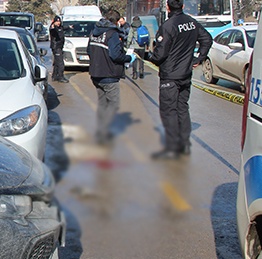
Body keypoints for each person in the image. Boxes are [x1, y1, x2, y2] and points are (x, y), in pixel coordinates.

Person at [146, 0, 212, 159]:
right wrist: (198, 58)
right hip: (185, 75)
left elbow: (160, 55)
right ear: (182, 6)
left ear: (167, 7)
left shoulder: (168, 26)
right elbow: (207, 39)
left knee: (169, 111)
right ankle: (184, 145)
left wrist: (148, 56)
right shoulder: (191, 22)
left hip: (170, 75)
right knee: (182, 108)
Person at [86, 9, 135, 145]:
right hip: (109, 75)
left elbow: (89, 50)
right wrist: (128, 58)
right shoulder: (112, 34)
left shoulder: (94, 32)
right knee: (113, 104)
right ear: (115, 21)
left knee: (103, 103)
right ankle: (104, 133)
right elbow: (115, 55)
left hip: (96, 74)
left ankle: (100, 130)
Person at [49, 16, 68, 83]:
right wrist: (53, 26)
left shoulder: (60, 27)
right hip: (56, 47)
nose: (58, 23)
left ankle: (54, 76)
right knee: (60, 63)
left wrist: (70, 27)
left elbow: (64, 28)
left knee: (56, 62)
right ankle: (60, 77)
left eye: (59, 21)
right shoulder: (53, 28)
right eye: (57, 21)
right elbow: (52, 30)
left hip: (60, 47)